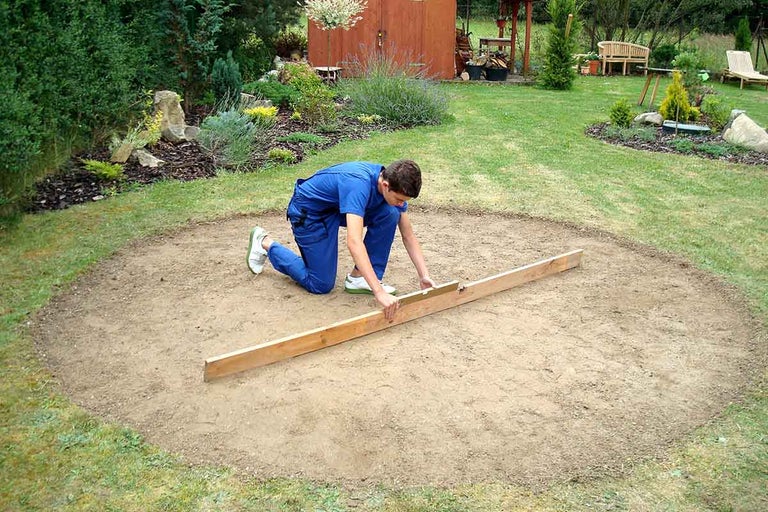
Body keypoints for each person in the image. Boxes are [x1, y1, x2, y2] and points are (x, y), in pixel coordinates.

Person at [247, 160, 435, 320]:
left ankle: (359, 277)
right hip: (310, 212)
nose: (403, 204)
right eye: (400, 199)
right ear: (385, 185)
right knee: (320, 284)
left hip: (336, 207)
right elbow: (354, 241)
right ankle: (265, 243)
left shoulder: (391, 183)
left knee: (390, 212)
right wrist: (379, 292)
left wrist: (423, 274)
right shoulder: (357, 185)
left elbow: (408, 235)